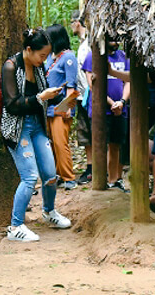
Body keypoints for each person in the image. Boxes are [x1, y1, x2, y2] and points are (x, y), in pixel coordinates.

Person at [1, 28, 71, 242]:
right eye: (42, 55)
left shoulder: (39, 68)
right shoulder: (11, 66)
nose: (44, 60)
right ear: (29, 50)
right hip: (17, 128)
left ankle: (49, 211)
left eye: (47, 56)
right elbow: (12, 105)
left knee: (50, 174)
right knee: (30, 176)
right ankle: (15, 226)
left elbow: (43, 97)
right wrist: (41, 97)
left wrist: (59, 99)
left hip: (37, 127)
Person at [81, 39, 130, 191]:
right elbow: (92, 84)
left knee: (116, 145)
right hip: (101, 110)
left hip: (120, 108)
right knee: (101, 145)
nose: (115, 42)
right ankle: (101, 180)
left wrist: (121, 101)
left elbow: (129, 81)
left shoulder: (123, 56)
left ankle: (114, 180)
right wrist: (111, 103)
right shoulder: (92, 57)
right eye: (112, 39)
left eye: (117, 39)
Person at [44, 24, 78, 190]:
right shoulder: (51, 57)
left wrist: (67, 107)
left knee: (60, 142)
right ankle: (56, 174)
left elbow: (71, 85)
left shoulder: (68, 57)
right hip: (48, 107)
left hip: (61, 106)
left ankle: (69, 177)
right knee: (50, 143)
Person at [70, 11, 93, 184]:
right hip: (82, 97)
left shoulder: (89, 44)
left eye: (72, 22)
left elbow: (89, 73)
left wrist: (89, 95)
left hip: (89, 96)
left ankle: (97, 168)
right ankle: (91, 167)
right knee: (85, 134)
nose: (71, 25)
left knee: (92, 132)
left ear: (78, 23)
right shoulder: (82, 44)